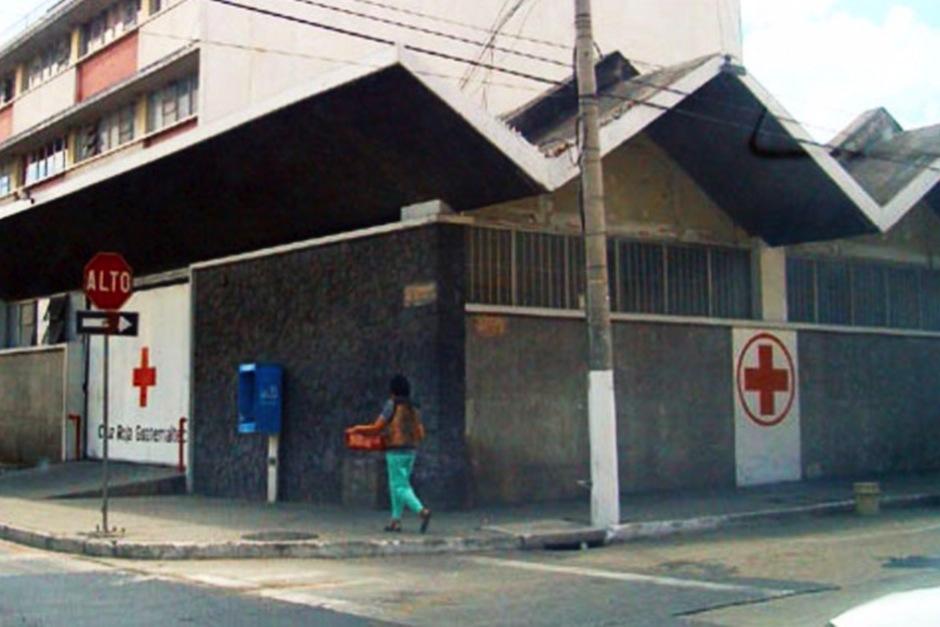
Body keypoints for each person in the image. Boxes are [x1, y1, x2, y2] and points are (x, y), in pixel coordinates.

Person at [354, 374, 431, 533]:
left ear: (392, 390)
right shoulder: (414, 407)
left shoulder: (392, 405)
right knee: (400, 485)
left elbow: (377, 427)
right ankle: (395, 521)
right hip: (411, 450)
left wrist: (357, 429)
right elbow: (421, 431)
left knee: (399, 486)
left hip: (395, 450)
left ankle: (421, 511)